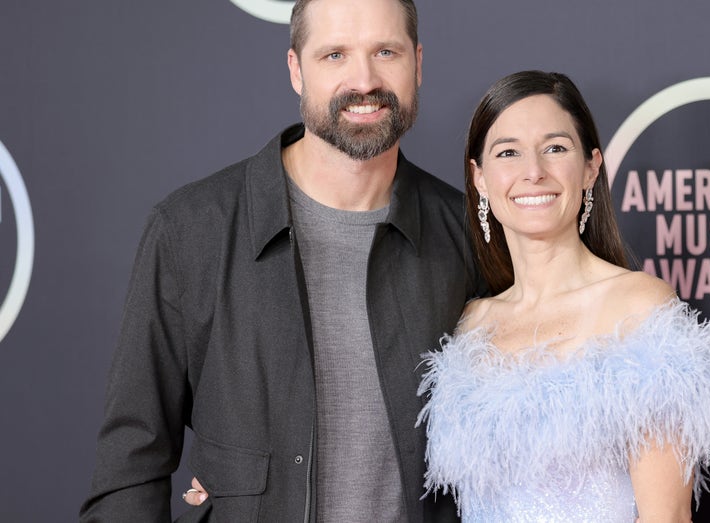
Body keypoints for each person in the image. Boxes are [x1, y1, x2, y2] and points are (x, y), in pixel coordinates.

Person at [79, 0, 479, 521]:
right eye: (334, 54)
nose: (364, 79)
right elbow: (128, 472)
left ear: (417, 64)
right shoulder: (189, 231)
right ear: (296, 69)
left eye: (386, 51)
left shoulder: (470, 234)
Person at [415, 71, 710, 522]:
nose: (533, 172)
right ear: (480, 177)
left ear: (590, 167)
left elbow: (668, 517)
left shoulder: (639, 307)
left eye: (556, 148)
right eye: (508, 152)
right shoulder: (470, 325)